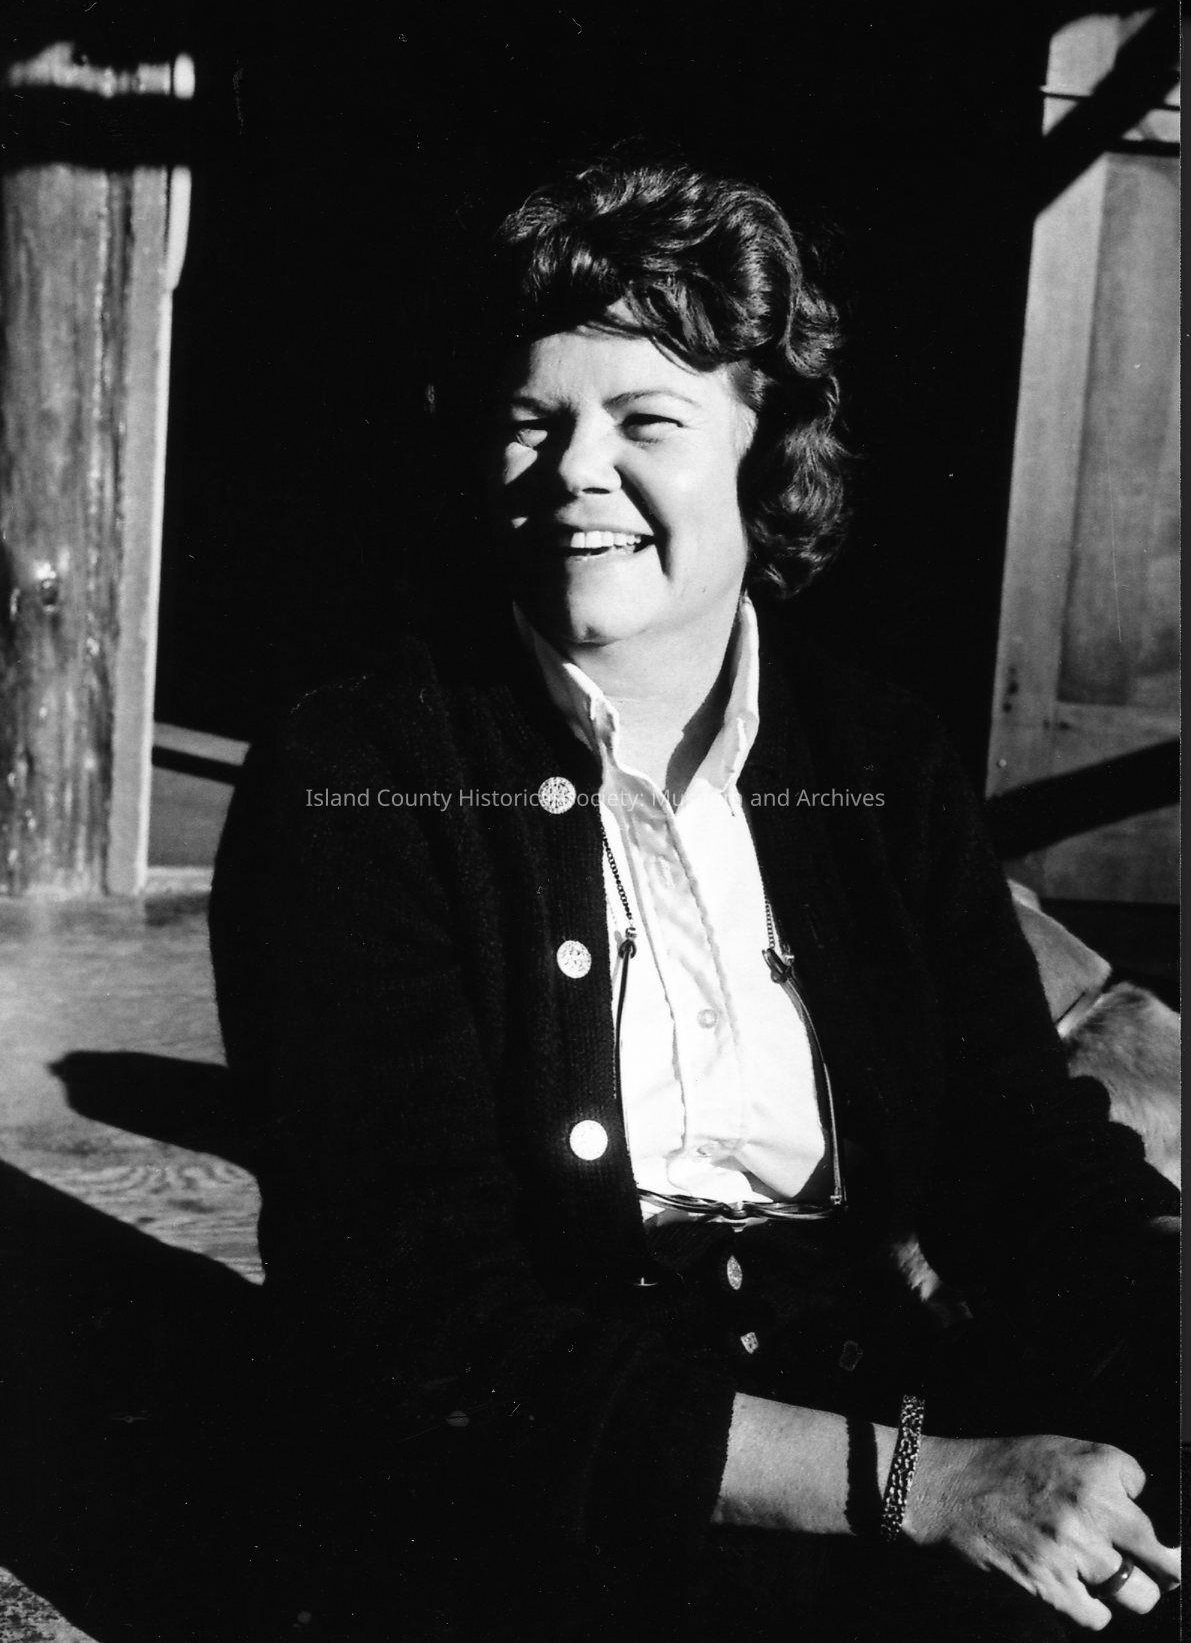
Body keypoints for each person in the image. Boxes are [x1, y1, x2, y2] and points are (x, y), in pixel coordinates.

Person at [209, 154, 1180, 1642]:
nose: (573, 469)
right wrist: (925, 1483)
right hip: (545, 1502)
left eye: (644, 419)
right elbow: (423, 1322)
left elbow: (1025, 1158)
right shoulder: (360, 776)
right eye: (532, 421)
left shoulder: (874, 757)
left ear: (763, 440)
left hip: (880, 1418)